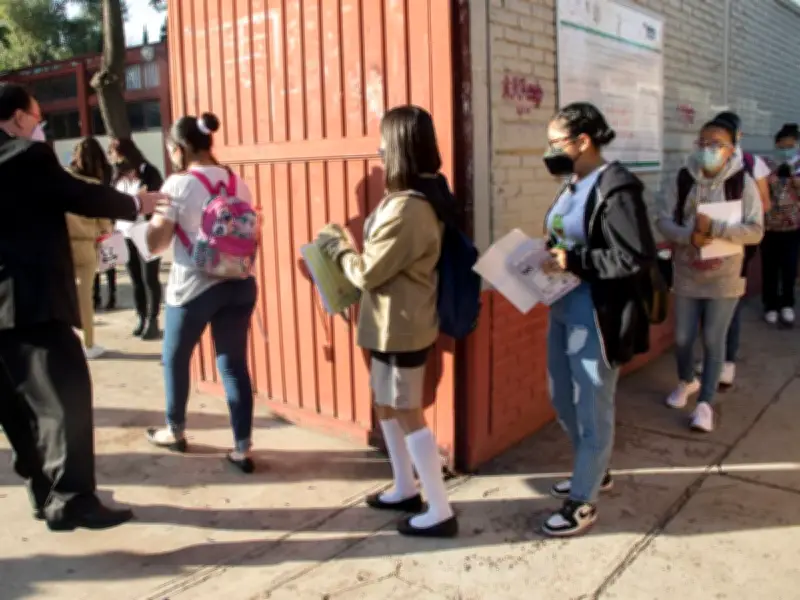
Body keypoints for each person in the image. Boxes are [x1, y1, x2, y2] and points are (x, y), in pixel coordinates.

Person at [0, 82, 167, 530]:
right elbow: (77, 193)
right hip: (30, 302)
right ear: (18, 118)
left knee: (19, 409)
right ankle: (73, 499)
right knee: (67, 398)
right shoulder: (26, 156)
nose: (40, 126)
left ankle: (42, 492)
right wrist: (135, 203)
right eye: (38, 117)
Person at [316, 105, 458, 538]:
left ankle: (440, 509)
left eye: (383, 139)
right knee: (386, 405)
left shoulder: (408, 209)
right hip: (387, 324)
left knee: (408, 410)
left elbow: (367, 273)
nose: (378, 148)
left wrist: (336, 247)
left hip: (402, 326)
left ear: (399, 147)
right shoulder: (408, 201)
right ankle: (404, 487)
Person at [538, 102, 657, 537]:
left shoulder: (617, 188)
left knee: (593, 404)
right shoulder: (571, 184)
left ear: (582, 142)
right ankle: (596, 466)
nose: (549, 151)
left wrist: (576, 259)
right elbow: (563, 236)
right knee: (561, 398)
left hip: (597, 314)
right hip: (563, 306)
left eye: (555, 143)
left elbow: (635, 256)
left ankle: (584, 500)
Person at [143, 112, 258, 474]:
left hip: (193, 286)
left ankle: (175, 430)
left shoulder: (177, 185)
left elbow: (157, 241)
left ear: (179, 149)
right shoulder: (239, 182)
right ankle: (242, 447)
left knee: (176, 358)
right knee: (234, 365)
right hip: (239, 283)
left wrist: (142, 230)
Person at [657, 116, 764, 433]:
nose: (707, 150)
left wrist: (716, 228)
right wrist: (686, 236)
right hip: (688, 272)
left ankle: (705, 403)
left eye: (716, 145)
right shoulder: (682, 179)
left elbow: (756, 231)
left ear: (731, 149)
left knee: (713, 339)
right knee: (683, 337)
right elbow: (663, 219)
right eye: (702, 143)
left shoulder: (742, 183)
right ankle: (686, 381)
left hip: (725, 275)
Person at [695, 111, 771, 388]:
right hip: (703, 242)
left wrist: (728, 220)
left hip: (735, 241)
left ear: (735, 138)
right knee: (706, 303)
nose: (711, 148)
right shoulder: (700, 167)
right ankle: (712, 355)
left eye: (720, 140)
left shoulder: (751, 164)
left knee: (731, 304)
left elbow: (764, 206)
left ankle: (727, 360)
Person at [107, 138, 164, 339]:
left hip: (146, 231)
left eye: (114, 153)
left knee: (150, 277)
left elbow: (157, 199)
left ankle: (153, 319)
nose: (112, 159)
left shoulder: (148, 171)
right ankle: (140, 316)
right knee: (135, 278)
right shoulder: (117, 176)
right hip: (125, 232)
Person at [66, 137, 114, 360]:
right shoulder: (94, 187)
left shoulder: (63, 179)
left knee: (62, 295)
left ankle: (66, 342)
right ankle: (88, 343)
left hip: (61, 244)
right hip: (86, 245)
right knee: (85, 297)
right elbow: (105, 225)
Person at [760, 123, 800, 326]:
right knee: (770, 268)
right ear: (776, 145)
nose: (786, 150)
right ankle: (770, 305)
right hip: (769, 227)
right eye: (782, 146)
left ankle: (787, 304)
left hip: (793, 228)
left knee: (789, 268)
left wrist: (794, 177)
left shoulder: (799, 166)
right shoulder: (766, 165)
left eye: (791, 146)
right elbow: (760, 193)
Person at [92, 157, 117, 311]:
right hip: (108, 219)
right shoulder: (108, 171)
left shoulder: (86, 176)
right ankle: (111, 296)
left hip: (94, 221)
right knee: (108, 261)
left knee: (96, 261)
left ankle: (95, 297)